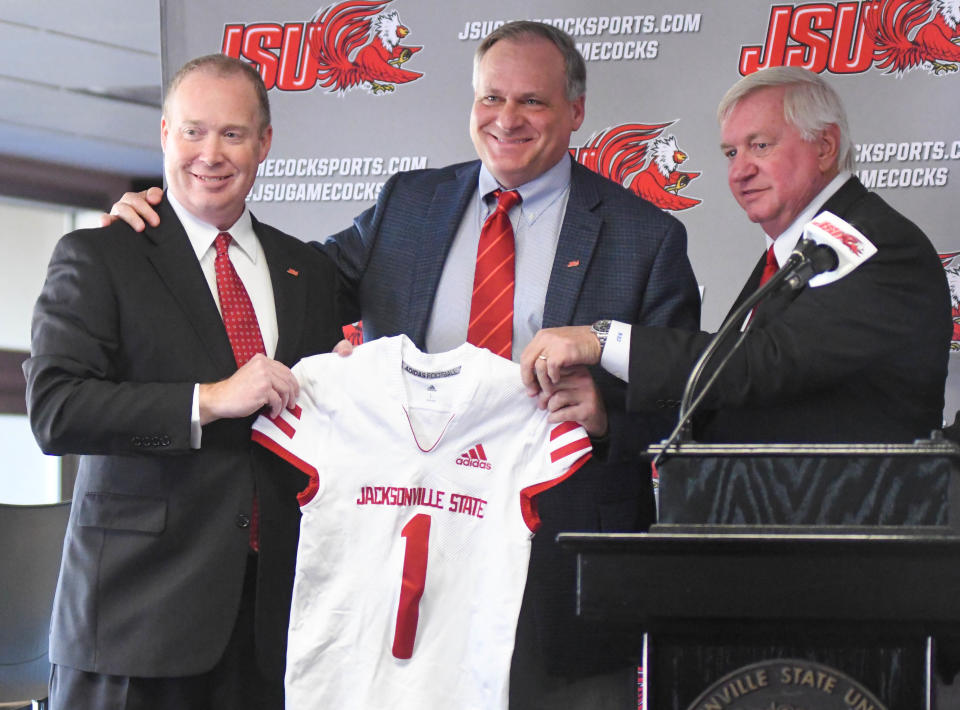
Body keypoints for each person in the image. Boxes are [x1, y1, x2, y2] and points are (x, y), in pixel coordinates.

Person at [106, 22, 701, 709]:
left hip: (555, 573)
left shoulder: (644, 237)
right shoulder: (409, 206)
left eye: (532, 102)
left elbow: (685, 403)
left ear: (576, 111)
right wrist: (171, 236)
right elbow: (287, 280)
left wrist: (606, 419)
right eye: (490, 98)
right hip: (403, 574)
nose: (506, 119)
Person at [24, 54, 342, 709]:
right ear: (164, 134)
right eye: (193, 132)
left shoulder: (310, 272)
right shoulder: (102, 255)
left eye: (232, 134)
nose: (211, 153)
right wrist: (209, 400)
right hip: (133, 629)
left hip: (272, 637)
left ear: (265, 143)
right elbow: (56, 412)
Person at [521, 66, 951, 445]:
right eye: (731, 153)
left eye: (760, 146)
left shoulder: (874, 247)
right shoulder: (793, 253)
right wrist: (605, 416)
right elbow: (731, 401)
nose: (740, 171)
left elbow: (763, 363)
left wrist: (602, 338)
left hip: (841, 529)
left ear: (824, 147)